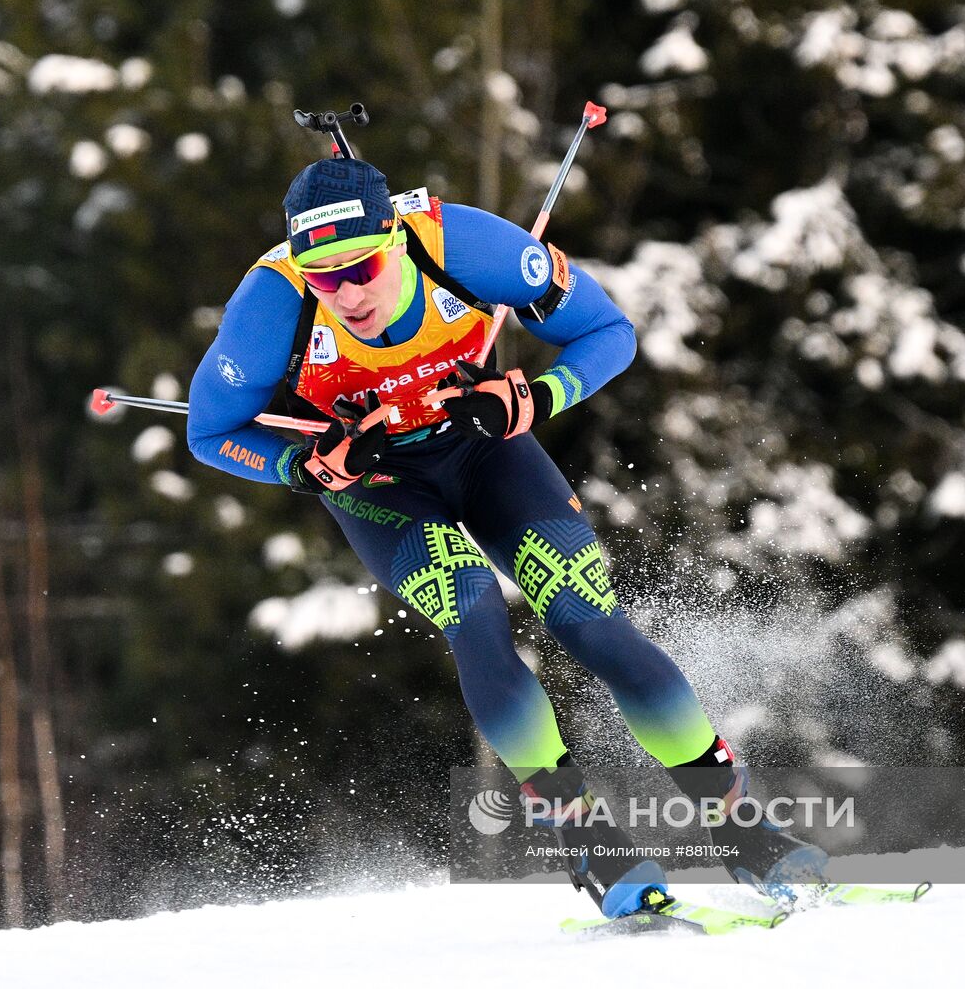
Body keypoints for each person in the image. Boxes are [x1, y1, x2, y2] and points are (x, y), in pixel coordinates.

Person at [188, 156, 821, 919]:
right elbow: (210, 432)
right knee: (477, 614)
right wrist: (306, 465)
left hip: (486, 447)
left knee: (590, 623)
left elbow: (607, 331)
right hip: (381, 483)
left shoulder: (463, 246)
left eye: (359, 267)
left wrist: (538, 396)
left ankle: (743, 830)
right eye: (324, 278)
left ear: (394, 236)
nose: (346, 293)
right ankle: (589, 841)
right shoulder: (268, 305)